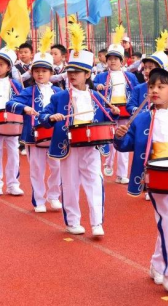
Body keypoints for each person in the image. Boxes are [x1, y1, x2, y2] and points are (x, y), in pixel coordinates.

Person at [114, 52, 168, 292]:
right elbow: (126, 145)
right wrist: (119, 136)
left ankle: (157, 263)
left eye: (161, 87)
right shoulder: (142, 119)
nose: (154, 90)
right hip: (155, 176)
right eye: (152, 86)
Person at [39, 22, 120, 236]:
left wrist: (114, 113)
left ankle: (97, 223)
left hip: (92, 146)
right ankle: (73, 221)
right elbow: (43, 116)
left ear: (87, 75)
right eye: (70, 72)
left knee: (95, 182)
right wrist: (50, 117)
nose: (72, 76)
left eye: (77, 72)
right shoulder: (59, 97)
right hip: (68, 146)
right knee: (70, 183)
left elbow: (107, 118)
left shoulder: (97, 96)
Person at [7, 28, 63, 212]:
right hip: (34, 135)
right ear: (32, 73)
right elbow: (10, 103)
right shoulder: (28, 91)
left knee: (57, 167)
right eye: (37, 71)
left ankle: (53, 196)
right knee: (37, 169)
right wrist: (24, 108)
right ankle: (39, 200)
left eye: (44, 71)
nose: (40, 74)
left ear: (51, 72)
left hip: (54, 135)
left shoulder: (59, 92)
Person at [93, 26, 139, 183]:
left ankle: (122, 174)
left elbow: (136, 92)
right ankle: (107, 164)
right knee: (108, 139)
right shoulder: (101, 76)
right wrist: (97, 87)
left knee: (123, 139)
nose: (112, 61)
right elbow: (92, 90)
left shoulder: (130, 77)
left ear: (122, 61)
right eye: (110, 58)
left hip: (125, 111)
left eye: (116, 59)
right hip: (108, 112)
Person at [0, 39, 25, 196]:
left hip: (11, 123)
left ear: (9, 67)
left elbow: (21, 101)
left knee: (14, 152)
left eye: (1, 64)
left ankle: (13, 183)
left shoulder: (15, 84)